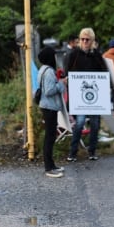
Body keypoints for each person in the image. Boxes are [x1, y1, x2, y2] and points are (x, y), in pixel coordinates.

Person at [64, 28, 108, 161]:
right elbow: (68, 72)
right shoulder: (73, 54)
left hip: (95, 97)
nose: (84, 41)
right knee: (80, 123)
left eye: (87, 39)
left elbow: (104, 72)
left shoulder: (97, 56)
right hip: (79, 97)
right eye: (82, 39)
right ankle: (73, 151)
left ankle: (92, 151)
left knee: (95, 124)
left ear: (92, 41)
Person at [37, 47, 67, 178]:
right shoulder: (49, 72)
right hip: (49, 107)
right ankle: (48, 168)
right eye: (54, 55)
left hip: (47, 107)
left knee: (50, 137)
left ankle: (52, 164)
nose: (56, 58)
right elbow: (49, 91)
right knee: (49, 138)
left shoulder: (42, 69)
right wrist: (61, 84)